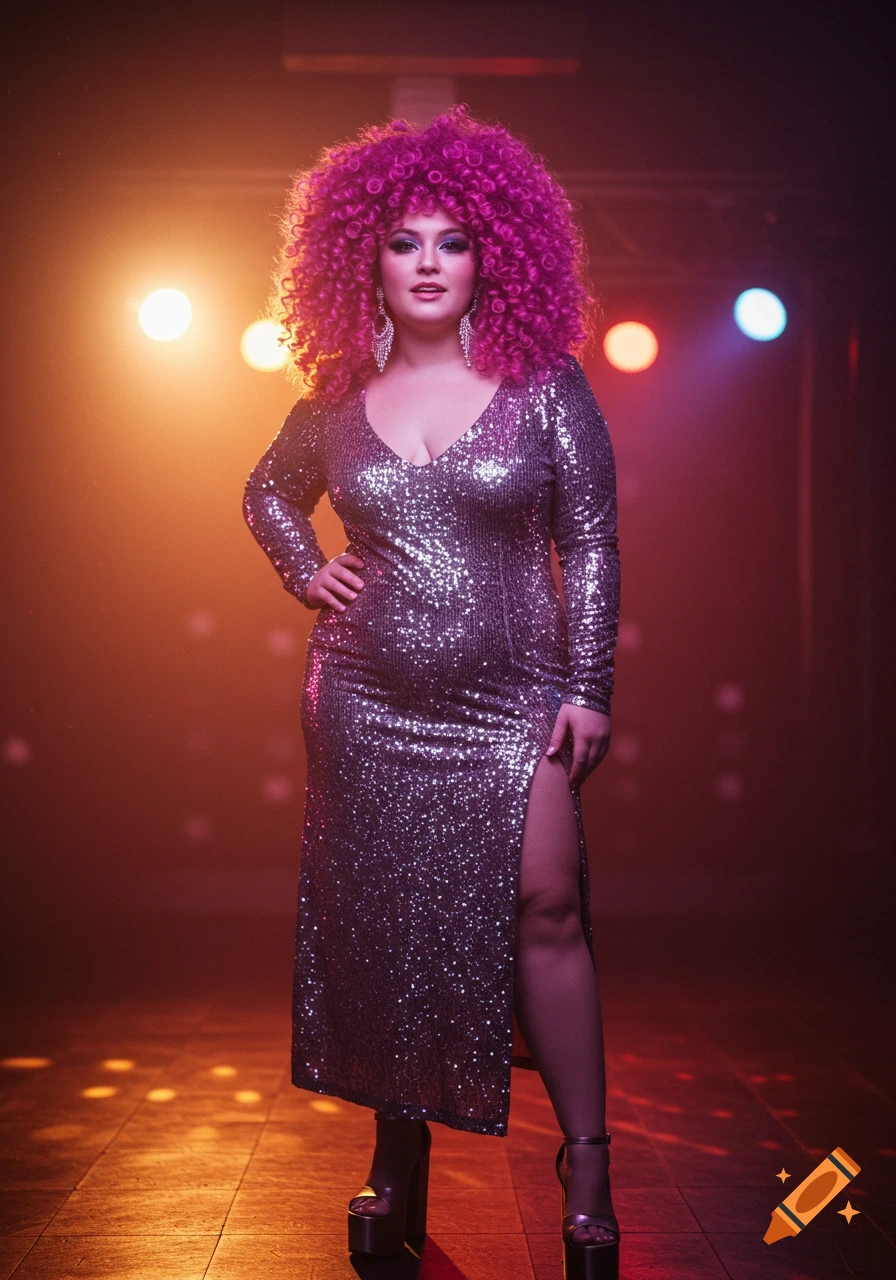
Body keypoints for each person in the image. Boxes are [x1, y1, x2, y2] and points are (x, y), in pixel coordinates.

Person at [242, 103, 621, 1276]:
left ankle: (590, 1165)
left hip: (514, 702)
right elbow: (263, 493)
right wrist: (307, 567)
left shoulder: (544, 383)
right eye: (403, 241)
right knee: (388, 930)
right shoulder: (332, 396)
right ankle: (393, 1163)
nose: (425, 264)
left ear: (488, 256)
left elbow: (593, 537)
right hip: (362, 703)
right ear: (365, 256)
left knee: (546, 907)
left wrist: (589, 681)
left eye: (450, 241)